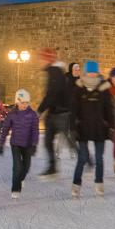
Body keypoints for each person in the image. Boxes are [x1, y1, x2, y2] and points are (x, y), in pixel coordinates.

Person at [71, 61, 113, 197]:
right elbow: (74, 110)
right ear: (86, 72)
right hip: (82, 128)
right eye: (90, 71)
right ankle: (76, 184)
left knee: (99, 158)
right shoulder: (79, 88)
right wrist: (72, 127)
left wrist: (111, 127)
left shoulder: (103, 88)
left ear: (97, 72)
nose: (92, 73)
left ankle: (99, 183)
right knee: (82, 158)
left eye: (94, 71)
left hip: (99, 128)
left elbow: (109, 109)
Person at [37, 48, 72, 178]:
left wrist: (40, 110)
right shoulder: (53, 72)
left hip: (60, 113)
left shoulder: (55, 72)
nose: (38, 61)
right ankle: (52, 167)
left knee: (69, 140)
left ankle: (86, 159)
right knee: (48, 141)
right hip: (54, 112)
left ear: (47, 60)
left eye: (41, 59)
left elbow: (52, 93)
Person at [0, 89, 40, 198]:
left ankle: (20, 179)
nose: (24, 105)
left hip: (28, 144)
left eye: (27, 103)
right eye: (22, 103)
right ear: (17, 102)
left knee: (26, 166)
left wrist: (34, 144)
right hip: (15, 143)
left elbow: (35, 130)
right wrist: (1, 143)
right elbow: (5, 129)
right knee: (17, 166)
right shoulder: (12, 114)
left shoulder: (33, 114)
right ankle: (15, 188)